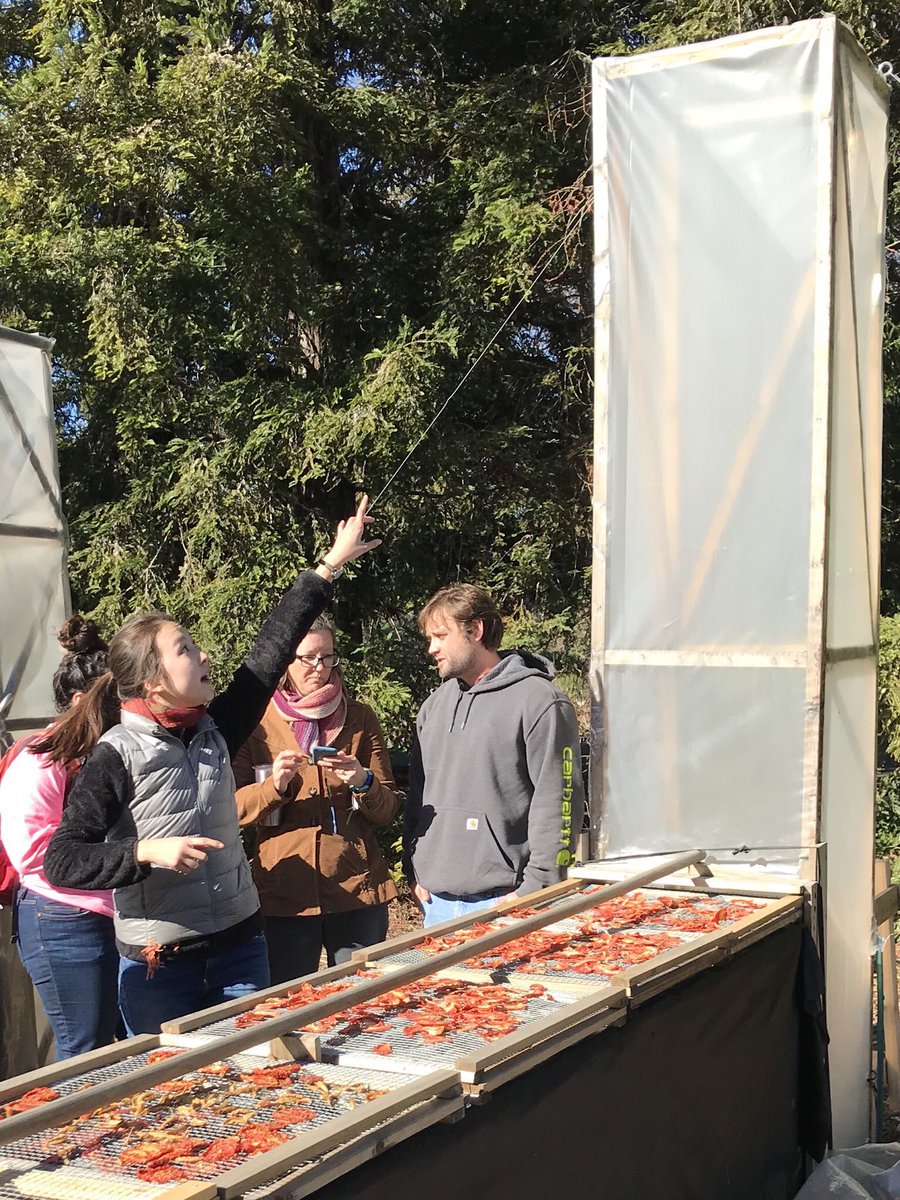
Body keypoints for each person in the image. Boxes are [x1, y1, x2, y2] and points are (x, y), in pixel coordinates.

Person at [44, 498, 379, 1034]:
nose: (206, 658)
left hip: (241, 949)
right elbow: (62, 860)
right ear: (154, 682)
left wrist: (329, 565)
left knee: (246, 1081)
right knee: (168, 1098)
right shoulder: (115, 753)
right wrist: (146, 852)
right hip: (159, 964)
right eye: (187, 650)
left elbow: (272, 649)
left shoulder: (215, 729)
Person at [404, 583, 584, 928]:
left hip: (507, 903)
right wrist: (413, 868)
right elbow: (418, 799)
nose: (432, 648)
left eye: (440, 635)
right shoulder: (434, 707)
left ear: (476, 630)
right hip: (436, 904)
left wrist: (538, 887)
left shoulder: (540, 702)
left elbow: (559, 801)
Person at [233, 614, 399, 984]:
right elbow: (233, 809)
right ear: (286, 661)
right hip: (285, 891)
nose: (319, 668)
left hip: (355, 889)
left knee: (362, 1002)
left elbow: (388, 807)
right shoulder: (258, 722)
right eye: (308, 658)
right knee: (288, 1007)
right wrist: (274, 785)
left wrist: (362, 780)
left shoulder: (359, 718)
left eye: (327, 658)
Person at [0, 617, 120, 1058]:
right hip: (61, 918)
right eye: (115, 702)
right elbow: (32, 854)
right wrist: (125, 859)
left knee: (123, 1044)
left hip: (114, 912)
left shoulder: (115, 752)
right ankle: (72, 1128)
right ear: (79, 701)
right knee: (83, 1047)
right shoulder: (40, 758)